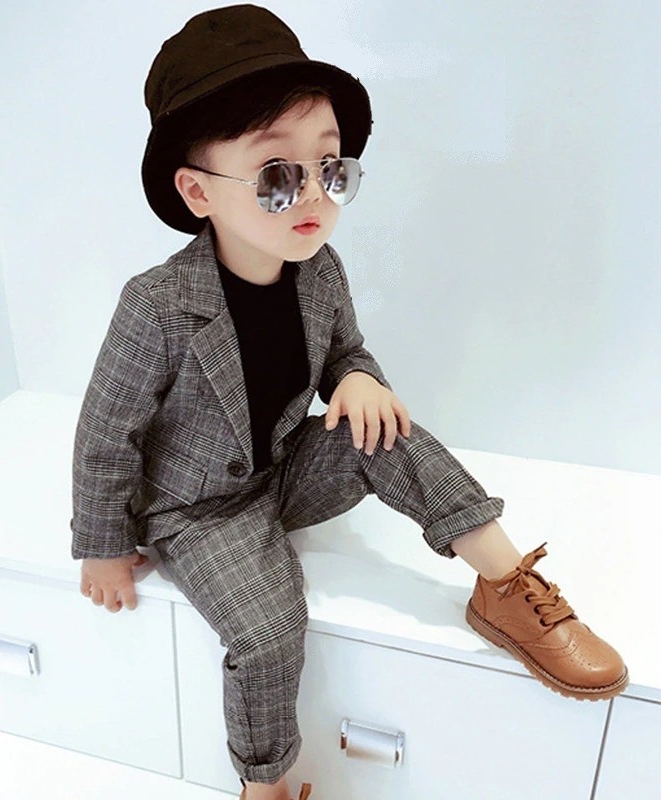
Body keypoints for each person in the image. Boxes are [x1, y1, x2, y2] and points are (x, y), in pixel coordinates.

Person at [69, 6, 628, 799]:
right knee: (269, 633)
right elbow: (105, 433)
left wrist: (359, 379)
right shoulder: (157, 305)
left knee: (388, 429)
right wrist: (100, 544)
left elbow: (343, 355)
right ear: (197, 191)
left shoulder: (319, 271)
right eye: (276, 176)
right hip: (197, 510)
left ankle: (506, 587)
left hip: (280, 471)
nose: (313, 195)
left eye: (330, 168)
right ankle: (264, 785)